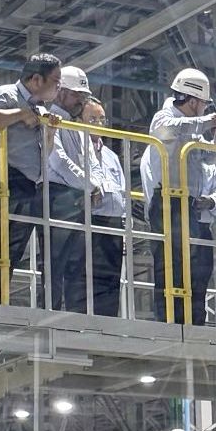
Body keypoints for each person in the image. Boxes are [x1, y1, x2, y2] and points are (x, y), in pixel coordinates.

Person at [0, 53, 62, 311]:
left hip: (26, 182)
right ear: (35, 78)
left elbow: (46, 153)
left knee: (10, 252)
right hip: (2, 176)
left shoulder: (41, 107)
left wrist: (50, 131)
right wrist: (21, 114)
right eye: (55, 81)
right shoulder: (6, 94)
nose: (58, 87)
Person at [141, 68, 216, 325]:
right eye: (202, 104)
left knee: (192, 267)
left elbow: (207, 157)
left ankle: (192, 320)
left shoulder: (194, 129)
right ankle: (169, 320)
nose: (203, 110)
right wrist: (206, 121)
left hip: (186, 204)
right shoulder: (164, 117)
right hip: (166, 200)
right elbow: (167, 130)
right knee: (170, 264)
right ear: (193, 101)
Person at [44, 65, 95, 311]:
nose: (81, 101)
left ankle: (76, 314)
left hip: (76, 196)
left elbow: (88, 159)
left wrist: (93, 184)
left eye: (84, 97)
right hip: (58, 197)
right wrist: (89, 184)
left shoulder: (76, 125)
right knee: (56, 260)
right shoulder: (50, 119)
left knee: (78, 262)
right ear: (61, 92)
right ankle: (50, 311)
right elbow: (58, 161)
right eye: (78, 95)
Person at [80, 97, 126, 317]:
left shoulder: (111, 156)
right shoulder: (79, 148)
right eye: (92, 118)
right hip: (91, 221)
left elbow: (123, 190)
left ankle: (108, 323)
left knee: (111, 279)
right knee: (89, 277)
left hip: (114, 224)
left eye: (101, 119)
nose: (98, 124)